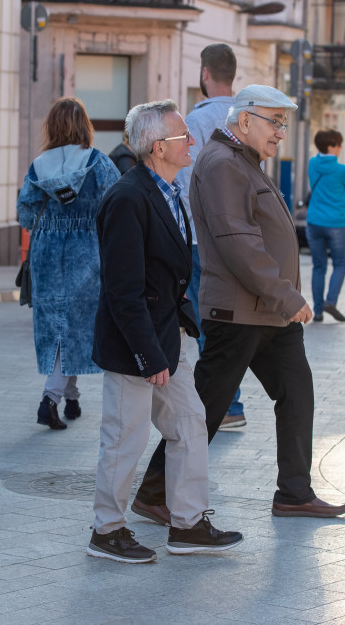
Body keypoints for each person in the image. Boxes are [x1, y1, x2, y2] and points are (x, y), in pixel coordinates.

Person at [132, 85, 345, 522]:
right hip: (240, 312)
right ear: (244, 120)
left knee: (296, 392)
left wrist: (281, 301)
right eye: (275, 122)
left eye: (284, 123)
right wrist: (287, 296)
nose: (281, 133)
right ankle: (154, 492)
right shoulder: (223, 165)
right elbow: (240, 244)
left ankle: (294, 492)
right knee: (206, 408)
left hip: (268, 312)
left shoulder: (246, 163)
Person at [88, 99, 242, 563]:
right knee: (124, 438)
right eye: (182, 136)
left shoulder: (168, 190)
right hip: (136, 346)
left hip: (166, 340)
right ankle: (106, 531)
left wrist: (179, 332)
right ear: (158, 148)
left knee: (192, 423)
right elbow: (122, 289)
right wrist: (148, 356)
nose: (191, 140)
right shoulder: (128, 198)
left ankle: (188, 524)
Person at [16, 97, 119, 430]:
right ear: (84, 126)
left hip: (46, 252)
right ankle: (51, 399)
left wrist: (50, 224)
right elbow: (117, 204)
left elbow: (26, 214)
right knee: (75, 326)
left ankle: (71, 396)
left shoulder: (39, 166)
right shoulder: (98, 164)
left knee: (58, 327)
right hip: (86, 252)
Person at [182, 43, 247, 429]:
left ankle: (223, 407)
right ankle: (231, 404)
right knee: (233, 317)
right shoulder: (248, 117)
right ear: (232, 74)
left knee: (208, 319)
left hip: (201, 237)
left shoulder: (196, 121)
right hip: (241, 235)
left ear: (205, 73)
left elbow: (188, 179)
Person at [305, 128, 345, 323]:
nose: (341, 148)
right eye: (338, 144)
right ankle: (331, 301)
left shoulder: (312, 164)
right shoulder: (342, 170)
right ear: (331, 146)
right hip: (336, 223)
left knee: (318, 266)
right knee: (340, 264)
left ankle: (318, 310)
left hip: (314, 221)